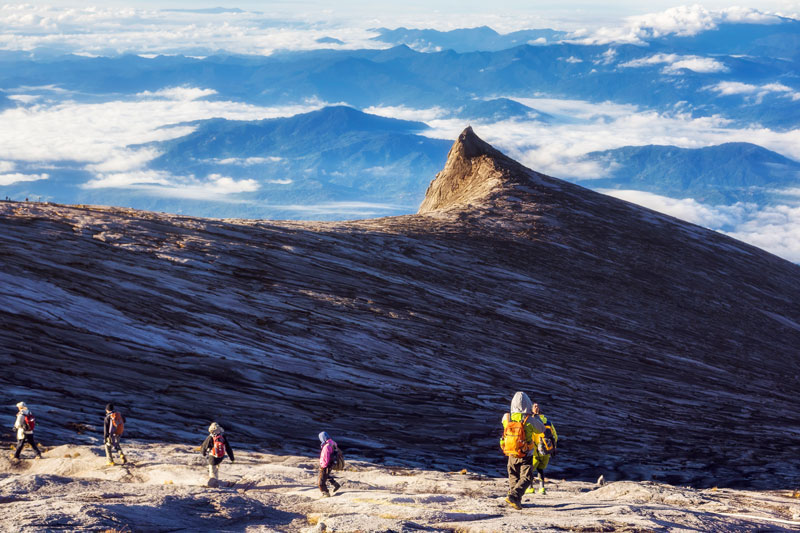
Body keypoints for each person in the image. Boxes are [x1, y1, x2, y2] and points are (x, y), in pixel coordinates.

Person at [500, 391, 545, 509]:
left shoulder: (507, 417)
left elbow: (505, 425)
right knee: (527, 477)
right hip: (526, 453)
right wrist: (536, 415)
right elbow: (541, 429)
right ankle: (514, 496)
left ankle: (515, 499)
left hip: (511, 451)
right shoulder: (529, 419)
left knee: (513, 475)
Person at [526, 402, 558, 495]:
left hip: (535, 451)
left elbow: (529, 435)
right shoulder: (548, 422)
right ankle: (542, 488)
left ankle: (530, 487)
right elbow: (555, 436)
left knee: (530, 470)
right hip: (546, 450)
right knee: (541, 469)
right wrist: (553, 448)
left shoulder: (531, 421)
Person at [201, 422, 234, 487]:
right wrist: (232, 458)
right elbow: (228, 448)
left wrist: (204, 453)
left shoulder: (210, 437)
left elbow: (204, 447)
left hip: (212, 457)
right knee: (216, 470)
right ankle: (216, 482)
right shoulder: (223, 437)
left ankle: (213, 485)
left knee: (212, 472)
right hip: (220, 457)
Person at [318, 431, 342, 497]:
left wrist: (323, 466)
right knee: (326, 475)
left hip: (326, 465)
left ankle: (325, 493)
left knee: (321, 482)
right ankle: (335, 484)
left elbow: (326, 457)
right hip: (332, 463)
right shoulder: (333, 443)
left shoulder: (326, 446)